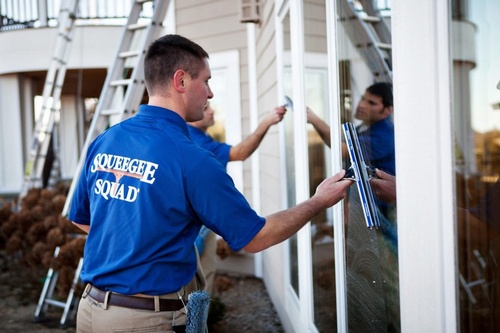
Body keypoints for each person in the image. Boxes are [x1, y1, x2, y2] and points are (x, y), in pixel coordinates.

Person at [68, 34, 353, 332]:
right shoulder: (192, 158)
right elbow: (256, 238)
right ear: (181, 81)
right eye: (206, 81)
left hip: (90, 311)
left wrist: (142, 243)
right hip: (143, 321)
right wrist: (318, 201)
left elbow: (83, 220)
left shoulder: (106, 139)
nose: (211, 93)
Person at [189, 101, 287, 296]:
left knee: (206, 274)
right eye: (206, 107)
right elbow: (240, 153)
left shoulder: (198, 135)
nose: (211, 110)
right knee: (194, 280)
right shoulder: (195, 141)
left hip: (202, 222)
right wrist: (266, 123)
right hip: (195, 225)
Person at [307, 82, 395, 176]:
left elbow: (343, 150)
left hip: (378, 190)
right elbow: (341, 140)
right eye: (363, 99)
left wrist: (315, 120)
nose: (362, 105)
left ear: (388, 110)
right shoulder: (366, 126)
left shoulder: (384, 136)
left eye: (371, 103)